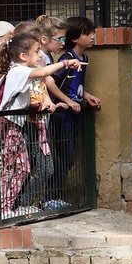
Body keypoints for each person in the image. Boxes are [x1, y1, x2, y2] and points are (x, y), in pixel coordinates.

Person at [0, 33, 82, 216]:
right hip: (8, 127)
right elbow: (42, 72)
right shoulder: (19, 71)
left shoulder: (22, 73)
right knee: (8, 170)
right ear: (24, 56)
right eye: (37, 51)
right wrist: (65, 63)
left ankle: (9, 208)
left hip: (16, 128)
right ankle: (2, 209)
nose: (40, 55)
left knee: (22, 168)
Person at [43, 15, 103, 209]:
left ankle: (52, 197)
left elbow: (71, 85)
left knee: (67, 159)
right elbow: (50, 82)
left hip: (73, 115)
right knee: (65, 159)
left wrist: (86, 96)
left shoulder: (83, 58)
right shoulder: (67, 59)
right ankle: (48, 198)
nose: (93, 36)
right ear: (75, 37)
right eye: (88, 33)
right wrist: (68, 101)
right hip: (62, 116)